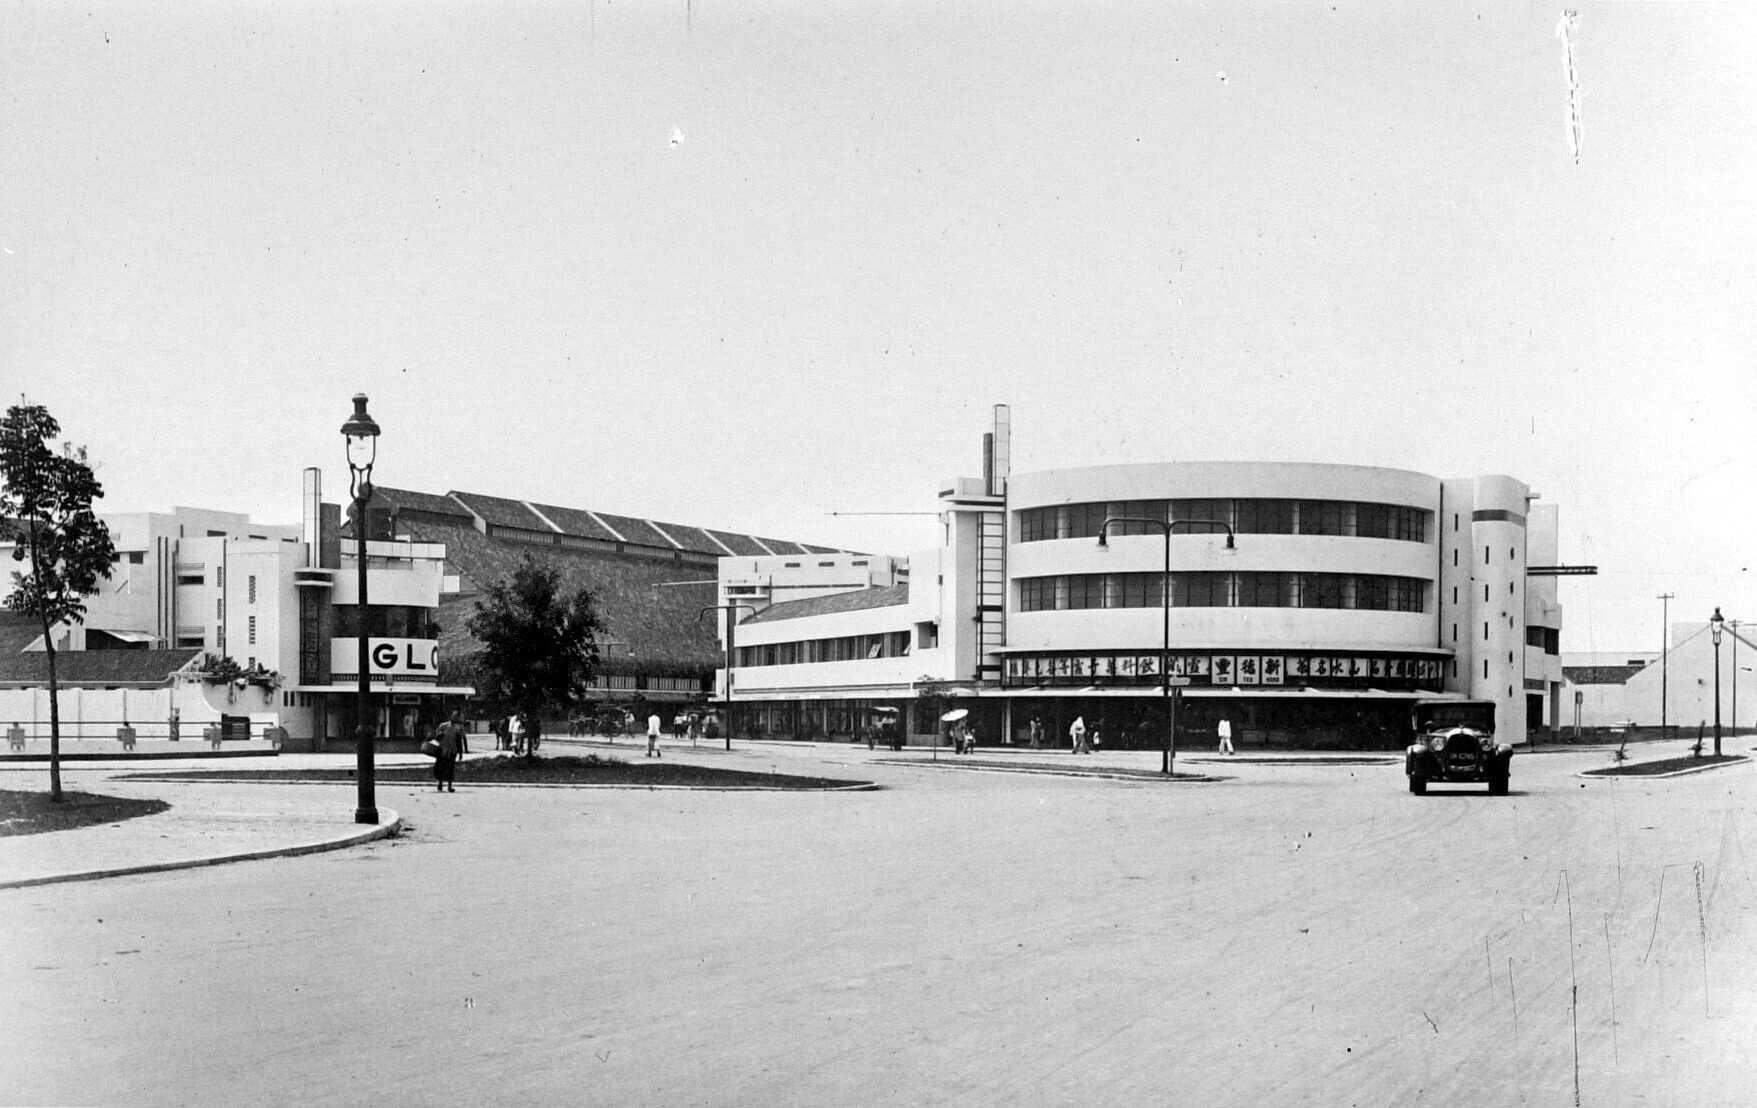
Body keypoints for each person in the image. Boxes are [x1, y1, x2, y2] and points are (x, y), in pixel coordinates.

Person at [433, 712, 468, 792]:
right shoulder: (443, 725)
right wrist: (439, 735)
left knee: (450, 768)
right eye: (454, 717)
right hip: (442, 750)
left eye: (457, 718)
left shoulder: (458, 728)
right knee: (440, 767)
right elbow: (436, 734)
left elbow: (460, 740)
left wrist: (461, 752)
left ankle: (449, 785)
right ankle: (440, 783)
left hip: (452, 751)